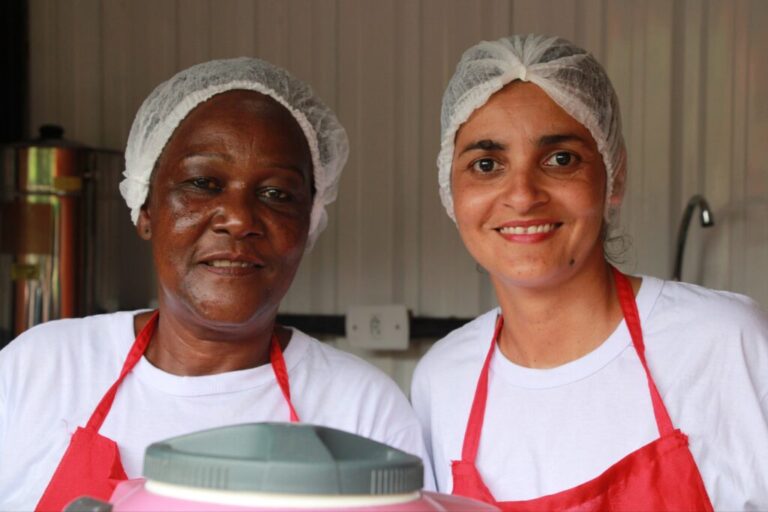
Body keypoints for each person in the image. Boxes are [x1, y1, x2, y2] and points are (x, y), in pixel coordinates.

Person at [0, 57, 430, 510]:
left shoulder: (360, 410)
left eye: (277, 194)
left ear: (308, 223)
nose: (240, 219)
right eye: (203, 182)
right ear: (145, 208)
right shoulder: (40, 370)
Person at [411, 34, 768, 511]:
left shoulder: (724, 343)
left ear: (613, 176)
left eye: (560, 159)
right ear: (449, 190)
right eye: (487, 163)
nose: (522, 194)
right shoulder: (443, 380)